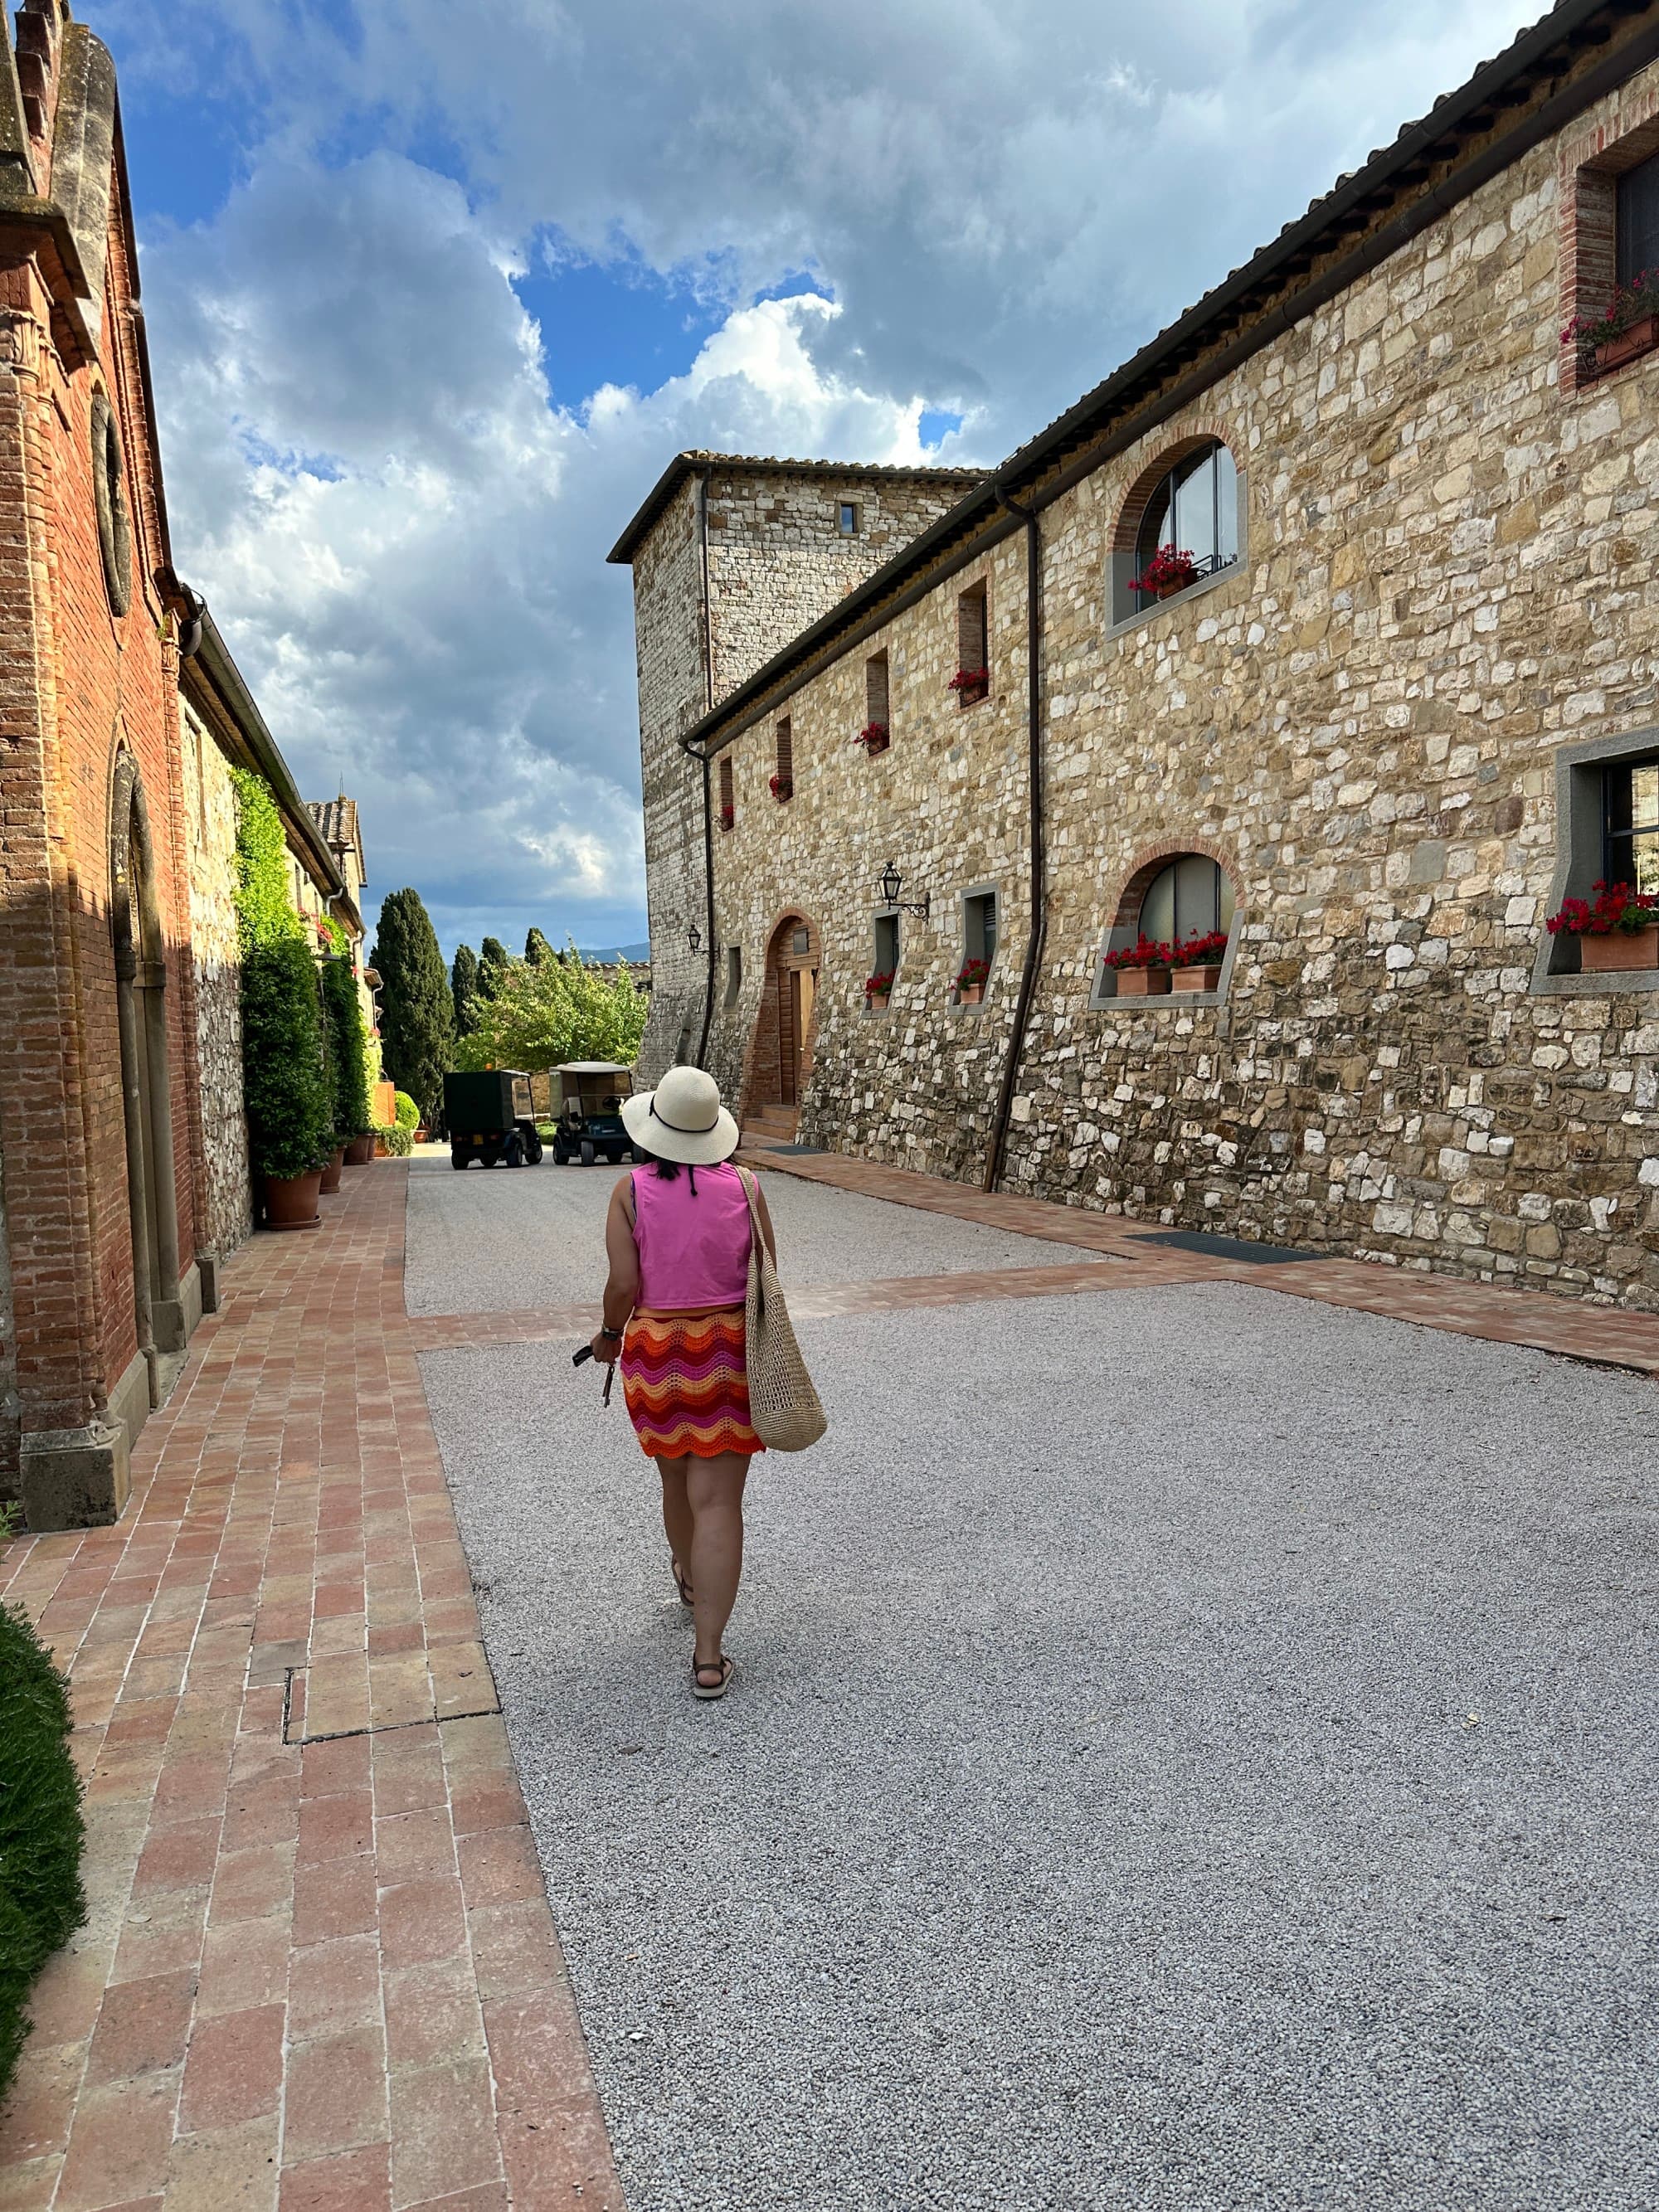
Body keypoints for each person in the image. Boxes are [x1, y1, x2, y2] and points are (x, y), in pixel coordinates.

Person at [588, 1065, 776, 1701]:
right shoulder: (747, 1187)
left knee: (676, 1477)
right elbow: (767, 1273)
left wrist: (608, 1336)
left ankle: (688, 1577)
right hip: (726, 1351)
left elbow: (622, 1286)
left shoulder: (629, 1192)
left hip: (657, 1353)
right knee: (719, 1500)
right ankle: (709, 1657)